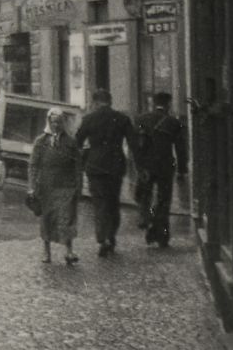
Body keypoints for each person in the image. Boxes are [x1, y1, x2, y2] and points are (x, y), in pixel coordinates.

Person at [75, 87, 138, 257]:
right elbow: (134, 143)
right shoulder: (122, 118)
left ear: (95, 102)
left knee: (99, 202)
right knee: (113, 201)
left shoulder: (88, 119)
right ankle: (111, 236)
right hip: (116, 164)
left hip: (95, 165)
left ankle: (102, 238)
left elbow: (77, 142)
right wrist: (137, 167)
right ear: (110, 101)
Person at [134, 92, 189, 247]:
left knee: (144, 196)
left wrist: (138, 166)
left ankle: (149, 221)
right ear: (168, 105)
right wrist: (182, 169)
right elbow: (180, 148)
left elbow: (135, 147)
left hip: (146, 166)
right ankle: (161, 235)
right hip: (165, 166)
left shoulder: (141, 119)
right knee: (164, 200)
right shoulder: (173, 122)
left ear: (153, 103)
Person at [27, 107, 80, 265]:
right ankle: (46, 251)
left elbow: (77, 166)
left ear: (63, 123)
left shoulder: (70, 142)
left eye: (59, 122)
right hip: (46, 186)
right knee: (47, 218)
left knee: (67, 217)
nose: (56, 125)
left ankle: (69, 251)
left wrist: (78, 186)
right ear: (49, 122)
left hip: (66, 186)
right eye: (53, 122)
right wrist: (32, 186)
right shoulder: (41, 142)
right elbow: (33, 165)